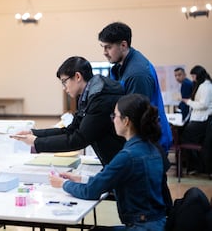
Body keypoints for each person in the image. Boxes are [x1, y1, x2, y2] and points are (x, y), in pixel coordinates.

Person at [49, 94, 169, 230]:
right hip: (157, 224)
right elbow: (114, 180)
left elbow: (91, 191)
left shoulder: (128, 156)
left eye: (115, 116)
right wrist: (81, 178)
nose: (112, 121)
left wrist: (63, 184)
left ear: (126, 121)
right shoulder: (151, 149)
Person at [12, 56, 125, 166]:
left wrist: (36, 142)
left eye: (64, 81)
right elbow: (70, 130)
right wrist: (34, 133)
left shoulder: (100, 98)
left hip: (121, 165)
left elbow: (79, 139)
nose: (64, 87)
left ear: (77, 76)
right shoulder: (88, 96)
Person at [98, 21, 172, 153]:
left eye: (108, 47)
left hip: (148, 144)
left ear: (123, 45)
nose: (104, 52)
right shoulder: (121, 66)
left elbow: (136, 119)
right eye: (102, 47)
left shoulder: (137, 74)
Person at [180, 65, 212, 174]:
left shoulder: (206, 87)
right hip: (198, 119)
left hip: (202, 120)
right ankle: (193, 166)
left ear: (198, 75)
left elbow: (203, 105)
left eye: (193, 76)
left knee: (185, 137)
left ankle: (195, 166)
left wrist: (188, 102)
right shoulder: (202, 85)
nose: (193, 79)